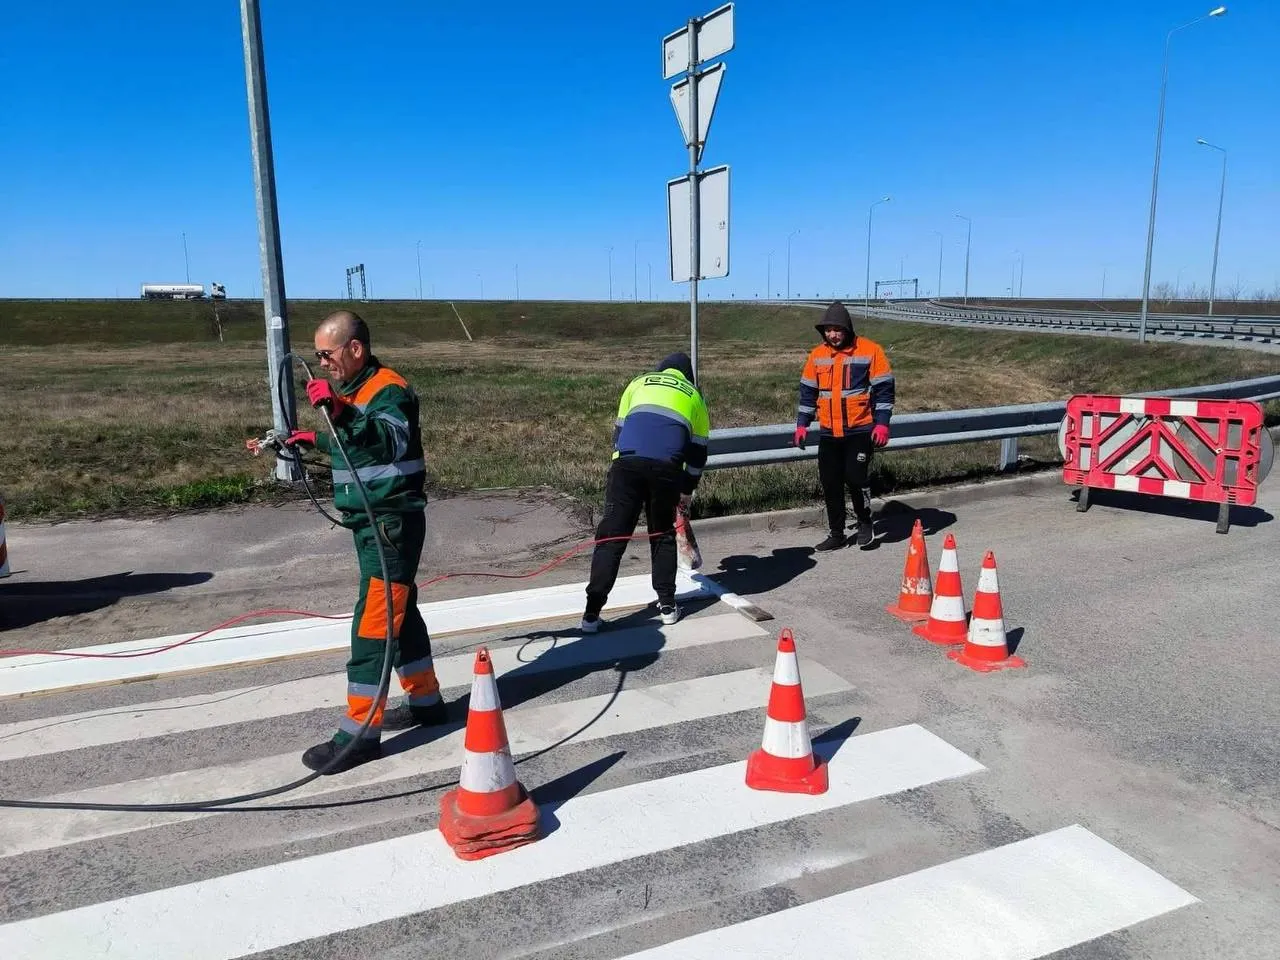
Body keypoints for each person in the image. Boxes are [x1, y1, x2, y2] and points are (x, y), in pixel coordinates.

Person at [259, 310, 445, 774]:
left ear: (354, 349)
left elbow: (387, 441)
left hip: (390, 523)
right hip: (373, 521)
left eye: (327, 354)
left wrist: (339, 413)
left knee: (375, 621)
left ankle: (360, 735)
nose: (322, 363)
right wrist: (315, 439)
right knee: (401, 613)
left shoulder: (389, 389)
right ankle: (427, 703)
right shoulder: (358, 390)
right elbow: (355, 444)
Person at [581, 352, 710, 633]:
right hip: (667, 468)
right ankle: (666, 606)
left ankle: (591, 614)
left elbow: (619, 432)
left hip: (626, 465)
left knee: (612, 536)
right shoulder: (694, 395)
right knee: (661, 534)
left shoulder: (638, 382)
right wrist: (685, 492)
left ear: (661, 371)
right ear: (687, 376)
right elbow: (698, 454)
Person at [793, 301, 895, 550]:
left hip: (859, 430)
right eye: (828, 330)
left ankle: (864, 522)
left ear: (847, 329)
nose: (832, 335)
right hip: (829, 432)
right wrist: (802, 425)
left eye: (837, 329)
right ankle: (836, 533)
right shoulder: (818, 356)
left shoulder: (870, 350)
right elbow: (808, 393)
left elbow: (884, 391)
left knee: (855, 477)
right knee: (830, 482)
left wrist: (882, 425)